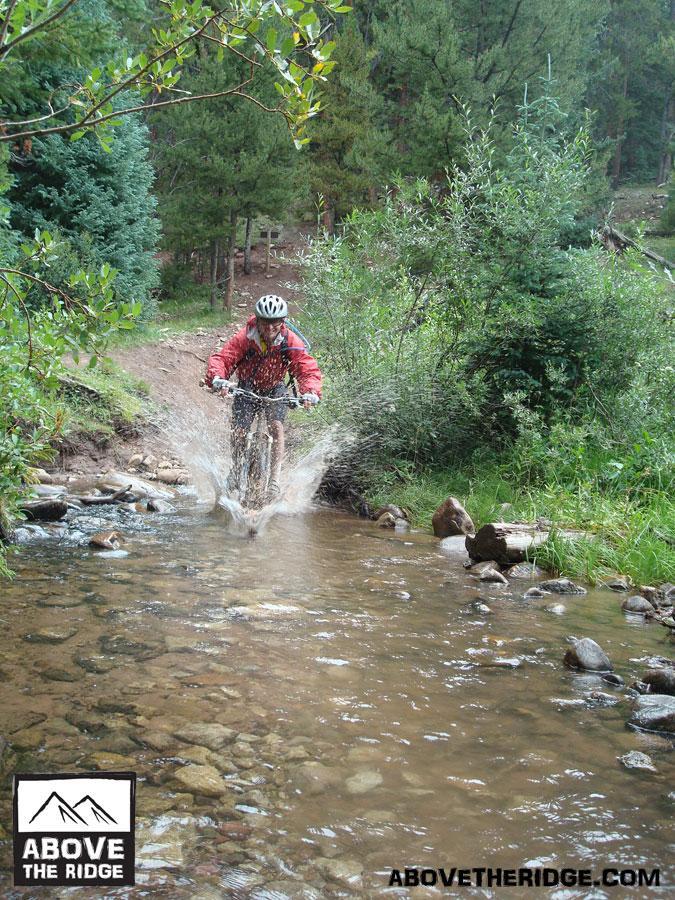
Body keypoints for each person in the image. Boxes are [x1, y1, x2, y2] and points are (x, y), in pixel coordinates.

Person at [205, 294, 322, 499]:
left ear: (282, 322)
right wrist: (218, 378)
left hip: (275, 387)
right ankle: (236, 468)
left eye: (274, 324)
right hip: (247, 387)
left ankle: (274, 481)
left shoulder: (290, 341)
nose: (269, 329)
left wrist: (310, 392)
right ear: (257, 320)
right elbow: (223, 358)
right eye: (265, 324)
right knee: (240, 430)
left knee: (276, 428)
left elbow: (306, 368)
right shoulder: (245, 337)